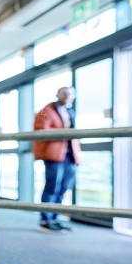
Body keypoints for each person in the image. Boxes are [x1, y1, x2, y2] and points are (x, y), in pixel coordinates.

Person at [33, 86, 82, 232]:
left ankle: (55, 218)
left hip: (70, 155)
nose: (68, 96)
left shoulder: (69, 112)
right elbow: (41, 130)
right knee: (52, 187)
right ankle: (45, 220)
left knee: (63, 188)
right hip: (54, 155)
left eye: (71, 94)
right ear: (57, 94)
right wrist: (63, 132)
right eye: (65, 93)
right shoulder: (46, 111)